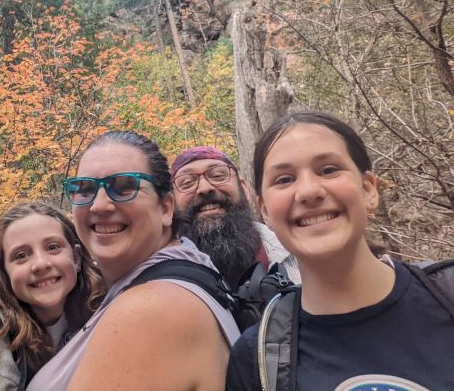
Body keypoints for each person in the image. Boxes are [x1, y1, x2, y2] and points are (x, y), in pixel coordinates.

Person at [226, 111, 454, 391]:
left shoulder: (445, 294)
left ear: (368, 189)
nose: (308, 191)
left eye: (328, 170)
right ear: (265, 211)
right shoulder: (255, 361)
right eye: (284, 179)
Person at [28, 131, 240, 391]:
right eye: (85, 189)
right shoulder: (179, 272)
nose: (99, 205)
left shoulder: (152, 308)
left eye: (124, 187)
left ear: (166, 208)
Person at [0, 201, 105, 388]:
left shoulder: (108, 313)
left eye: (52, 247)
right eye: (21, 256)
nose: (40, 264)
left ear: (76, 258)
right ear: (4, 274)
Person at [172, 146, 300, 288]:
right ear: (171, 204)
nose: (205, 188)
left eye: (217, 175)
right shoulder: (162, 276)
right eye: (187, 182)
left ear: (244, 188)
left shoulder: (298, 252)